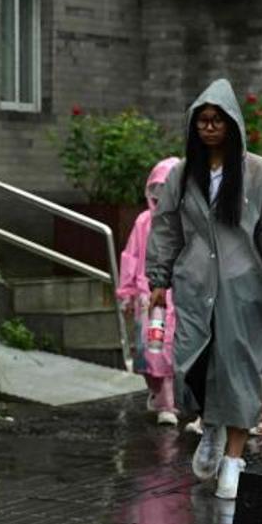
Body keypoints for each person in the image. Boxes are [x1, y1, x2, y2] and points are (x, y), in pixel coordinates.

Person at [147, 78, 262, 500]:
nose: (210, 128)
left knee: (240, 370)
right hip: (195, 285)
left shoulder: (256, 172)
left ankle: (234, 459)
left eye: (217, 121)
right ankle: (210, 426)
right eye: (203, 121)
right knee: (192, 366)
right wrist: (158, 280)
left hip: (244, 288)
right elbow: (165, 228)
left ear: (232, 124)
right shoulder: (183, 174)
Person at [117, 157, 182, 426]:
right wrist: (127, 291)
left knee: (174, 351)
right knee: (152, 349)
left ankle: (169, 401)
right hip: (152, 300)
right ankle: (160, 395)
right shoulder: (145, 221)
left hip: (180, 298)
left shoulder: (185, 221)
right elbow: (131, 257)